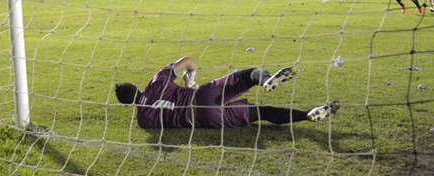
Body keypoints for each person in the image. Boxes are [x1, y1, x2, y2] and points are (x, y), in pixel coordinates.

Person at [114, 57, 339, 129]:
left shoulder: (142, 120)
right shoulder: (156, 80)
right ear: (136, 86)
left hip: (203, 119)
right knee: (248, 74)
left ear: (128, 103)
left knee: (261, 112)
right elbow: (188, 61)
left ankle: (308, 115)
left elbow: (163, 111)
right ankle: (267, 80)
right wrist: (190, 79)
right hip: (201, 96)